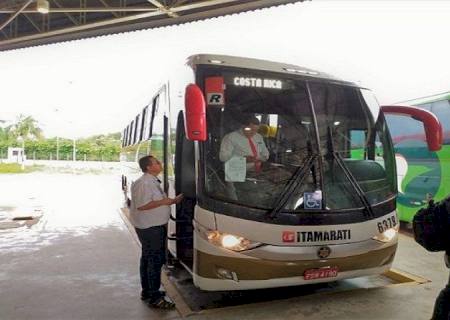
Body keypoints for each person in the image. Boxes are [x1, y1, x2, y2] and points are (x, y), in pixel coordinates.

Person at [129, 155, 183, 309]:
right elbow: (142, 205)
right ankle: (154, 296)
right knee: (155, 260)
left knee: (148, 258)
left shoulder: (151, 181)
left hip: (152, 226)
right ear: (148, 167)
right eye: (156, 163)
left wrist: (171, 201)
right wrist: (167, 201)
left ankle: (148, 291)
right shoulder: (145, 183)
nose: (160, 164)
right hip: (150, 228)